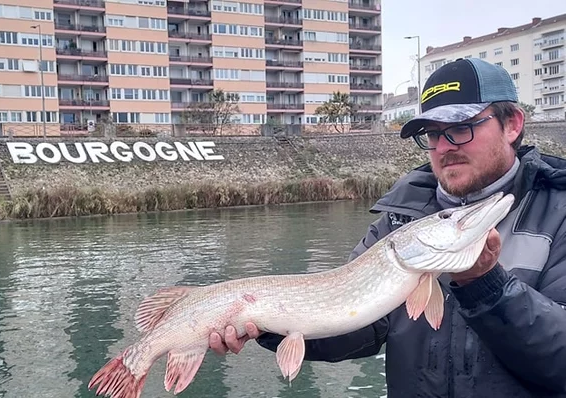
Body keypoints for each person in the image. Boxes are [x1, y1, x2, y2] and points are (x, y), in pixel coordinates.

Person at [208, 57, 566, 396]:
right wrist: (269, 325)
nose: (443, 147)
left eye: (461, 127)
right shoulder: (398, 220)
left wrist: (485, 284)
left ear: (513, 124)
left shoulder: (559, 214)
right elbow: (357, 327)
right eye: (432, 133)